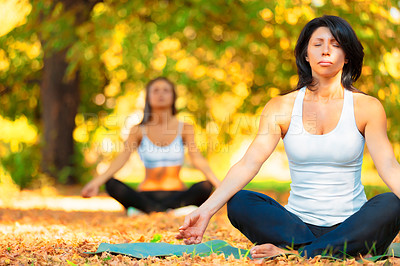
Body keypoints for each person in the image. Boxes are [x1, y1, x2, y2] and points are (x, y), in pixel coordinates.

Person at [176, 15, 400, 259]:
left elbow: (388, 165)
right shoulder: (281, 106)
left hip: (353, 225)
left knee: (392, 203)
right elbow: (250, 162)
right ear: (305, 54)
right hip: (296, 227)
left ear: (347, 56)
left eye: (336, 44)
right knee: (240, 201)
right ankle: (327, 251)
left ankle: (297, 254)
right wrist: (206, 210)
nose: (326, 51)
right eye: (318, 44)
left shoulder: (366, 107)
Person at [81, 77, 220, 214]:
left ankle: (149, 210)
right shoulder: (137, 130)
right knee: (111, 184)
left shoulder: (185, 128)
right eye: (156, 90)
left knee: (205, 186)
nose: (161, 94)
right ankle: (168, 211)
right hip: (145, 195)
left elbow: (197, 159)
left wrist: (220, 185)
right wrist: (96, 182)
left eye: (166, 90)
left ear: (173, 97)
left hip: (178, 195)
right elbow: (122, 158)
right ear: (148, 97)